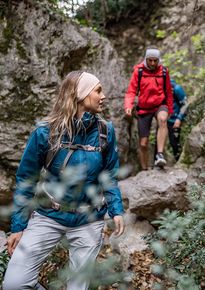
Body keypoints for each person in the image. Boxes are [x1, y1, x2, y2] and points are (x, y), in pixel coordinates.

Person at [3, 71, 124, 290]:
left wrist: (116, 209)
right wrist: (18, 227)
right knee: (14, 284)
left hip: (89, 220)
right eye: (98, 90)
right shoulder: (44, 133)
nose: (103, 96)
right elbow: (26, 180)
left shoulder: (106, 131)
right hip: (48, 215)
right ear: (80, 94)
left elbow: (110, 175)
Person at [124, 48, 173, 170]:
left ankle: (160, 155)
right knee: (143, 144)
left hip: (160, 105)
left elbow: (168, 92)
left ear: (158, 60)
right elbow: (131, 91)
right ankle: (145, 169)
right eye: (150, 60)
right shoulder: (139, 71)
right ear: (146, 59)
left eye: (155, 60)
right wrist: (128, 106)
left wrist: (170, 110)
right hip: (144, 108)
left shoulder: (164, 72)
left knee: (162, 119)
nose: (152, 63)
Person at [167, 79, 188, 161]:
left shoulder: (176, 88)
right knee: (173, 143)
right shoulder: (159, 88)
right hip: (167, 121)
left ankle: (180, 162)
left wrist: (179, 118)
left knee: (177, 143)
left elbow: (185, 104)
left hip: (177, 120)